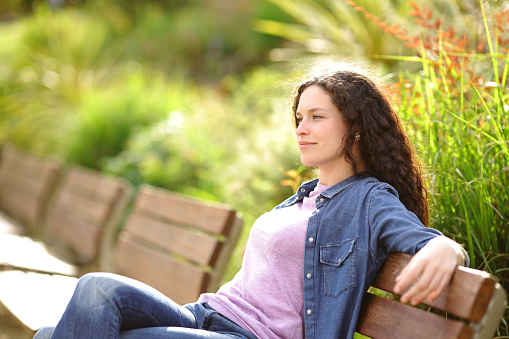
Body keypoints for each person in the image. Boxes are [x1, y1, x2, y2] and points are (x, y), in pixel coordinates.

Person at [34, 66, 468, 339]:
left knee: (51, 334)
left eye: (317, 117)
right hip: (204, 316)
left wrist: (446, 247)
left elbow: (420, 237)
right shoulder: (301, 199)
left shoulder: (369, 199)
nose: (301, 128)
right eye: (299, 118)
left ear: (354, 127)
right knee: (96, 288)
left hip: (247, 336)